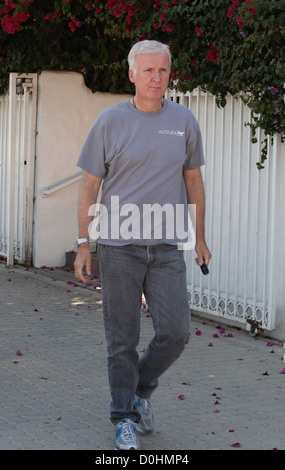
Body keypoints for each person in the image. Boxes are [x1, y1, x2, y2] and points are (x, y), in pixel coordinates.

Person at [74, 40, 211, 450]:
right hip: (119, 247)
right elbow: (89, 186)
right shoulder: (109, 122)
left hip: (167, 247)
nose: (157, 77)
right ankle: (123, 419)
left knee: (176, 332)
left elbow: (193, 182)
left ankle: (140, 390)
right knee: (122, 339)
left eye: (163, 70)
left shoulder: (184, 120)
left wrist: (200, 236)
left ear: (170, 73)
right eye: (148, 70)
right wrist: (84, 242)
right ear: (132, 74)